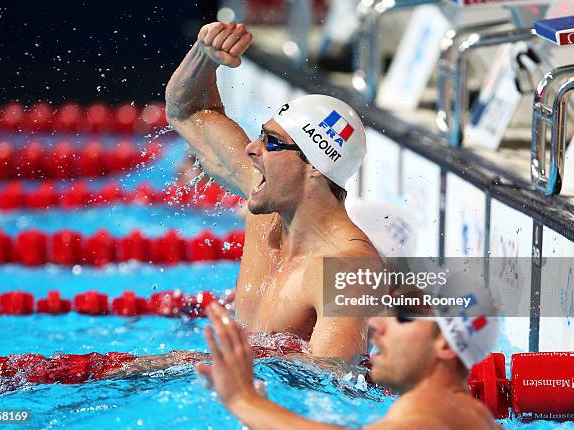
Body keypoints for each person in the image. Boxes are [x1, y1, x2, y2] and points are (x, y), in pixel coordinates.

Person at [165, 21, 382, 362]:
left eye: (272, 143)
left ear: (315, 166)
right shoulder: (269, 206)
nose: (252, 149)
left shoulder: (347, 269)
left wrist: (203, 363)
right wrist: (203, 57)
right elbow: (189, 112)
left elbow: (334, 375)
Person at [196, 281, 501, 430]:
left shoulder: (429, 418)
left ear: (446, 345)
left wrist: (242, 399)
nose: (375, 324)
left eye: (403, 315)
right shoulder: (472, 417)